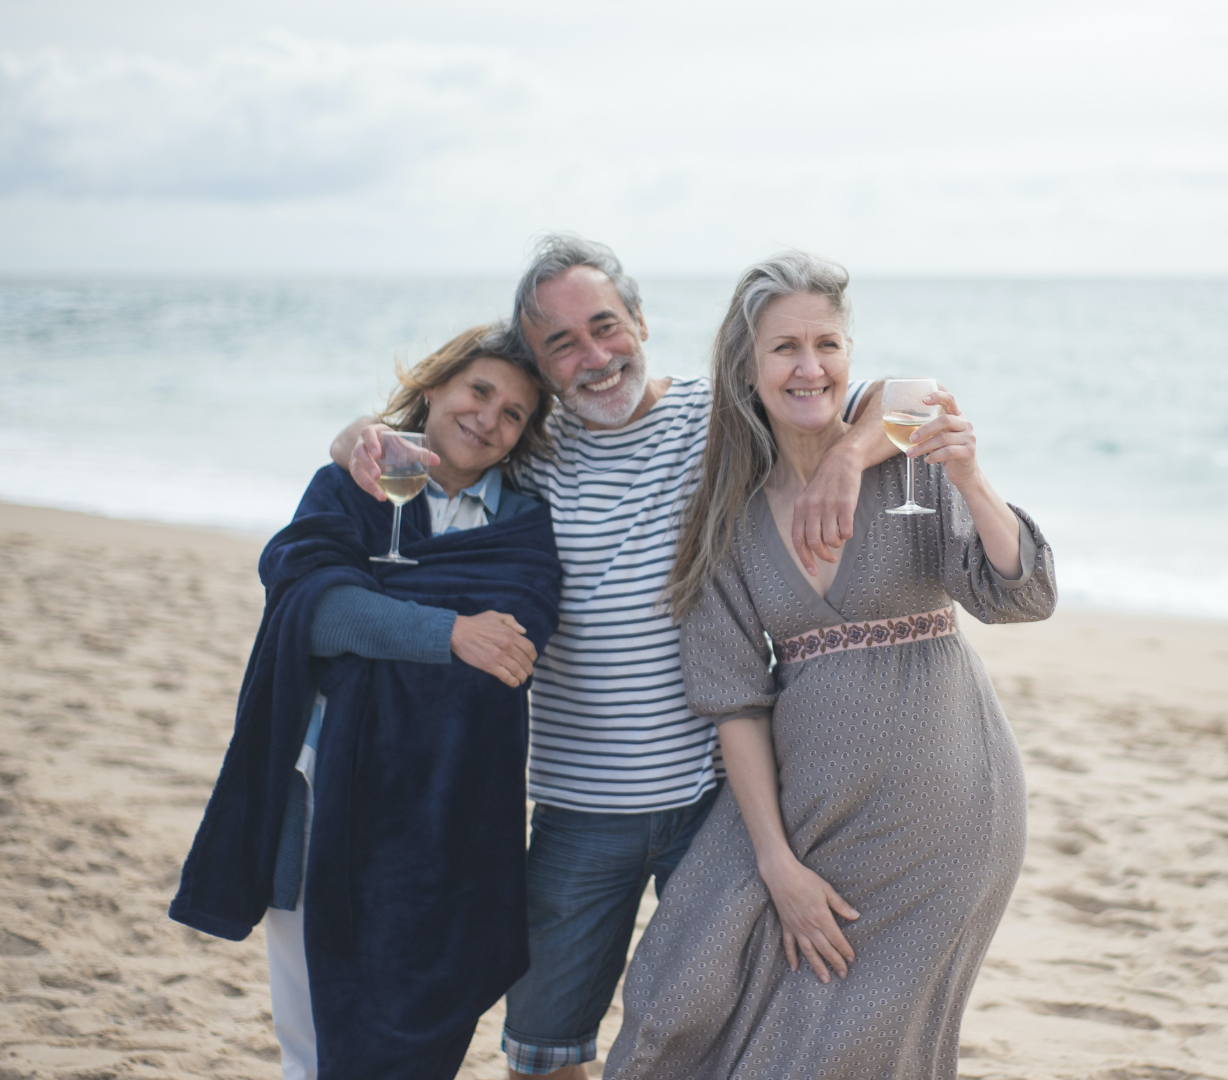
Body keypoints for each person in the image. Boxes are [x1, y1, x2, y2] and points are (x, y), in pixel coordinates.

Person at [328, 237, 897, 1079]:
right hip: (575, 812)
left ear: (639, 320)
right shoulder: (529, 451)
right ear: (541, 363)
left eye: (605, 326)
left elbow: (913, 400)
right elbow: (419, 444)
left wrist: (848, 457)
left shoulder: (720, 419)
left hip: (717, 802)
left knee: (726, 1027)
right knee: (544, 1046)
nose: (593, 356)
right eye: (562, 343)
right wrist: (354, 437)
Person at [599, 251, 1055, 1079]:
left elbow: (1019, 598)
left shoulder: (910, 466)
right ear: (746, 366)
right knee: (680, 990)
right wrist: (775, 862)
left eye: (828, 345)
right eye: (784, 349)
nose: (810, 367)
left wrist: (965, 477)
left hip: (942, 806)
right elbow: (734, 703)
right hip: (803, 806)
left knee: (853, 1042)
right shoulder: (727, 522)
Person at [172, 324, 565, 1078]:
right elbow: (313, 611)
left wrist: (377, 612)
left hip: (452, 815)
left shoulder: (525, 526)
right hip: (321, 792)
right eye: (478, 392)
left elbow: (515, 644)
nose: (489, 418)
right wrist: (448, 630)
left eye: (514, 413)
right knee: (312, 1032)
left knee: (428, 1024)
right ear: (433, 390)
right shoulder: (346, 484)